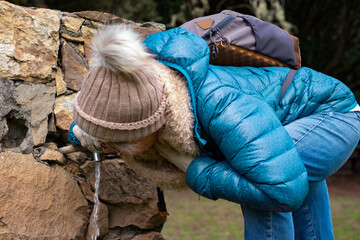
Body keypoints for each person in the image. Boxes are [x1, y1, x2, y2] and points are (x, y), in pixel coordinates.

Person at [68, 25, 360, 239]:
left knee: (264, 187)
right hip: (279, 124)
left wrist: (196, 169)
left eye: (118, 143)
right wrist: (82, 132)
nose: (112, 148)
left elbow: (280, 190)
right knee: (277, 172)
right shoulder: (147, 89)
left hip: (332, 115)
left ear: (149, 124)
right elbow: (106, 114)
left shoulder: (218, 104)